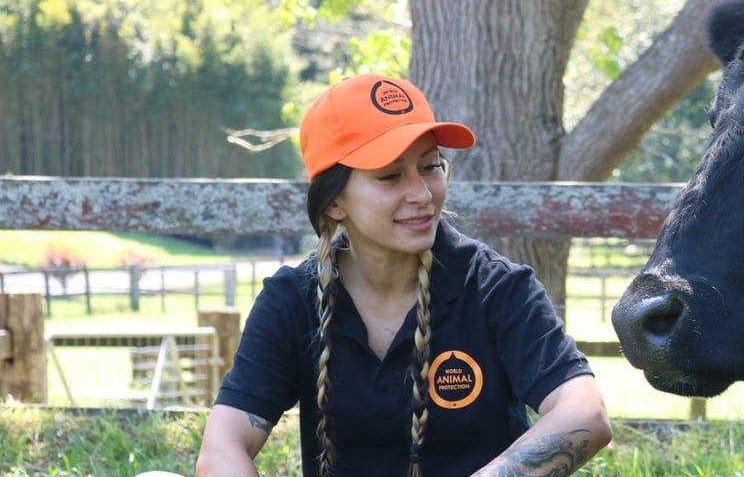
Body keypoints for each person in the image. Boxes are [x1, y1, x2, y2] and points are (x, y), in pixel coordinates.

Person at [195, 74, 612, 477]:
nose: (422, 194)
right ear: (334, 201)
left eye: (430, 167)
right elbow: (222, 447)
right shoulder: (292, 299)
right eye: (391, 176)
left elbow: (584, 413)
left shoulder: (497, 289)